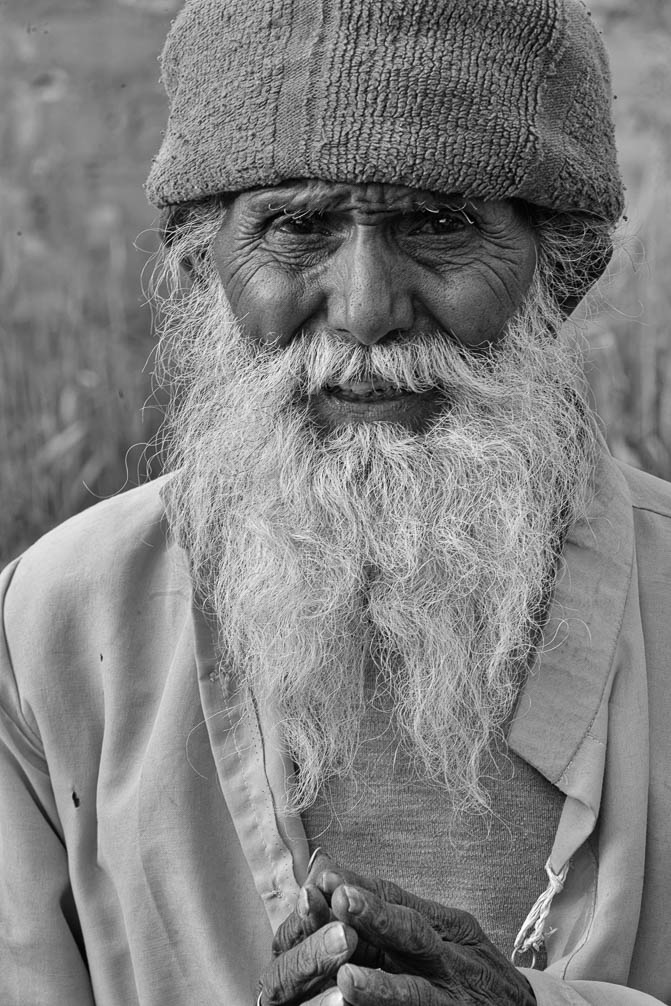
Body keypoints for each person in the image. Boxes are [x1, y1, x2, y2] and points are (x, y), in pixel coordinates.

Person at [1, 0, 670, 1003]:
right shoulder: (50, 629)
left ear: (562, 265)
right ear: (199, 261)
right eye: (297, 226)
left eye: (438, 224)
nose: (363, 309)